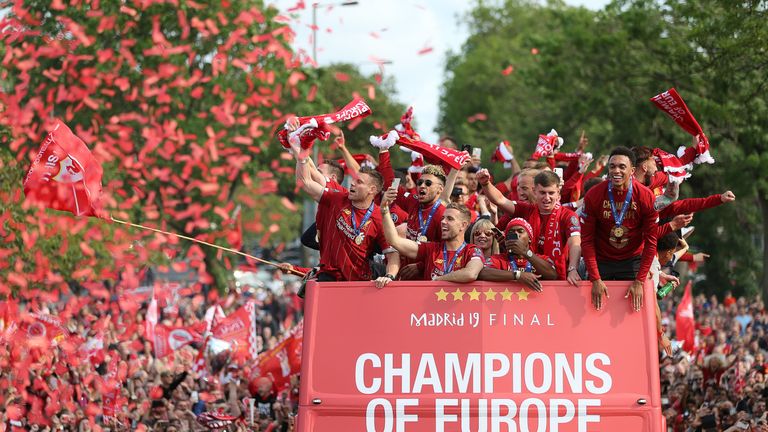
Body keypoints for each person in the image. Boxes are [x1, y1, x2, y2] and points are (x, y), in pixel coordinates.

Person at [288, 134, 400, 285]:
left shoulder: (379, 217)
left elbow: (392, 254)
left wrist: (389, 276)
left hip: (358, 284)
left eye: (359, 182)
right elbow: (305, 182)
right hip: (329, 278)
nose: (352, 184)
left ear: (372, 190)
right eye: (354, 180)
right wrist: (300, 154)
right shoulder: (337, 198)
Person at [581, 146, 659, 311]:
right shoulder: (593, 195)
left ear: (632, 170)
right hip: (602, 260)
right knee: (595, 311)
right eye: (612, 166)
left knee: (647, 311)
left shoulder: (645, 196)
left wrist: (640, 281)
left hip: (632, 260)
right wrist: (595, 278)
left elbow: (651, 242)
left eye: (622, 167)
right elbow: (587, 240)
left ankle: (656, 335)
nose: (616, 170)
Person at [479, 169, 582, 283]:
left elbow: (575, 244)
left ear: (558, 192)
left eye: (551, 193)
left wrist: (573, 269)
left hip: (557, 277)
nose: (547, 198)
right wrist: (485, 183)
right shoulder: (526, 209)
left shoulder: (568, 216)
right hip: (529, 276)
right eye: (542, 192)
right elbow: (500, 200)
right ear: (534, 191)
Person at [381, 186, 483, 282]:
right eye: (443, 218)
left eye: (450, 219)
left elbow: (471, 273)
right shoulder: (431, 249)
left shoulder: (472, 251)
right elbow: (394, 241)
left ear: (463, 225)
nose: (443, 222)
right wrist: (384, 210)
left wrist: (438, 281)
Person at [478, 218, 558, 291]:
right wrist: (518, 275)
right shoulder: (498, 259)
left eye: (520, 231)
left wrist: (525, 252)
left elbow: (552, 275)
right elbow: (482, 273)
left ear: (530, 238)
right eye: (511, 232)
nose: (516, 235)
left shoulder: (541, 259)